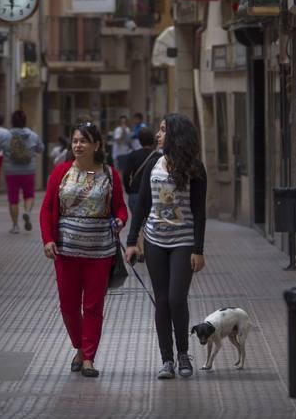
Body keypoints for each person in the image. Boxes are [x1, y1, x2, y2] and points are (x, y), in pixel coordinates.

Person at [39, 121, 128, 378]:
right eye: (75, 140)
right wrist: (47, 239)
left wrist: (120, 220)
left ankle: (88, 357)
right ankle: (79, 346)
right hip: (65, 251)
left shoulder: (110, 174)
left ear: (97, 145)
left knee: (92, 306)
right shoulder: (61, 172)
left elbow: (121, 207)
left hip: (100, 252)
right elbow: (46, 209)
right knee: (68, 306)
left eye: (84, 141)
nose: (78, 145)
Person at [125, 113, 207, 381]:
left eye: (162, 130)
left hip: (183, 242)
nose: (158, 135)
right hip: (155, 241)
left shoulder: (195, 168)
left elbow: (198, 210)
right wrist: (131, 241)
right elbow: (142, 205)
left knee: (176, 298)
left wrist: (198, 249)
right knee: (161, 300)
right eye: (158, 130)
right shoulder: (153, 165)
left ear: (175, 134)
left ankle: (184, 354)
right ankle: (167, 360)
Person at [2, 108, 44, 233]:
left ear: (12, 121)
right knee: (29, 195)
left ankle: (15, 226)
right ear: (25, 121)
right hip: (28, 170)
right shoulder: (33, 135)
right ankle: (27, 212)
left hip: (11, 171)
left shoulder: (6, 135)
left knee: (13, 198)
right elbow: (40, 149)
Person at [122, 126, 157, 260]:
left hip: (135, 193)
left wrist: (129, 190)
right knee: (146, 222)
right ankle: (142, 250)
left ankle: (139, 248)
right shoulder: (157, 156)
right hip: (152, 195)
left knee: (138, 220)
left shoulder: (133, 155)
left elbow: (126, 175)